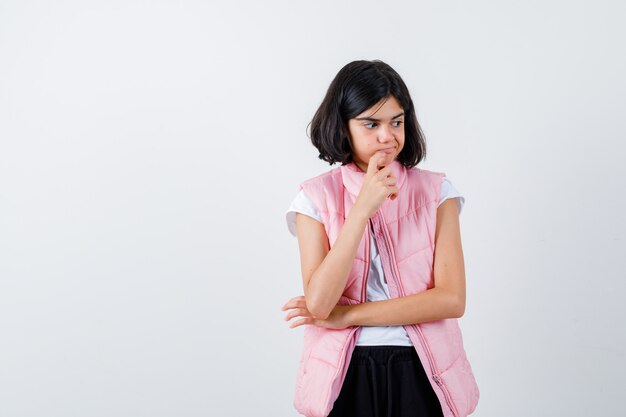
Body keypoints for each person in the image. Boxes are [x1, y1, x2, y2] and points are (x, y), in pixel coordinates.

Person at [281, 60, 479, 417]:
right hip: (344, 373)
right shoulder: (313, 198)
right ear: (343, 126)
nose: (387, 136)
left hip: (422, 369)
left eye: (396, 122)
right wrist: (361, 210)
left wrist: (348, 315)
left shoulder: (437, 191)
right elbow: (321, 303)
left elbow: (452, 299)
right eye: (371, 123)